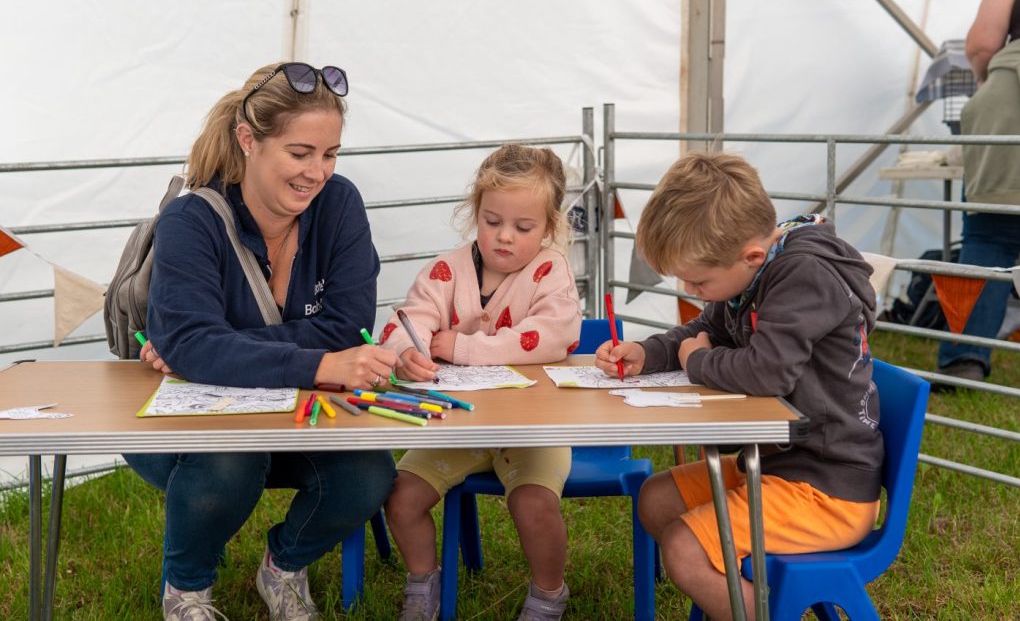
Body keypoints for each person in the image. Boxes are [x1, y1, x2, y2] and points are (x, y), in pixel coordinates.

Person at [124, 62, 399, 621]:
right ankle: (186, 590)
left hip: (296, 416)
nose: (317, 173)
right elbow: (197, 344)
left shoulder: (340, 203)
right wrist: (319, 364)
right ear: (248, 140)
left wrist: (218, 348)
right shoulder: (189, 220)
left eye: (330, 154)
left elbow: (347, 326)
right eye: (300, 153)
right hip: (186, 430)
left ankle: (283, 566)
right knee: (230, 458)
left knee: (369, 471)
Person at [595, 153, 883, 620]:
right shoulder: (753, 272)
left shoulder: (803, 276)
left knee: (684, 549)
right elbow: (705, 330)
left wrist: (697, 362)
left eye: (698, 281)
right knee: (656, 500)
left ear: (750, 256)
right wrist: (647, 353)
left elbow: (768, 372)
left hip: (826, 489)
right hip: (776, 464)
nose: (690, 291)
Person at [378, 144, 582, 621]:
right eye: (492, 222)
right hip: (457, 427)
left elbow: (551, 337)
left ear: (550, 227)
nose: (504, 236)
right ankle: (423, 582)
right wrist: (406, 353)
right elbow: (407, 321)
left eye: (523, 227)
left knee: (534, 504)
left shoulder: (551, 271)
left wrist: (462, 348)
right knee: (401, 496)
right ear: (476, 213)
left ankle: (549, 593)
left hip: (533, 430)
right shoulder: (447, 269)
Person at [937, 0, 1020, 385]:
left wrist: (988, 78)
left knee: (990, 236)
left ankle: (964, 358)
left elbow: (983, 43)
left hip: (1010, 96)